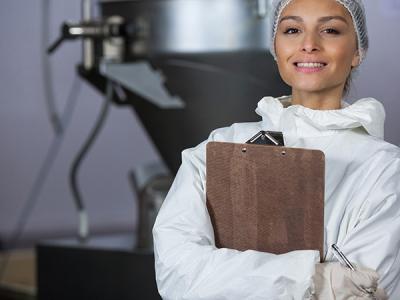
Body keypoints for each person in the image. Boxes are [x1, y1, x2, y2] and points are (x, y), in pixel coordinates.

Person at [152, 0, 400, 298]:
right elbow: (177, 273)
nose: (309, 44)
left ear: (358, 51)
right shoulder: (219, 147)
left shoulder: (385, 169)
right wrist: (312, 278)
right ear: (276, 48)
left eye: (331, 30)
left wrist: (228, 275)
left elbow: (364, 289)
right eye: (292, 29)